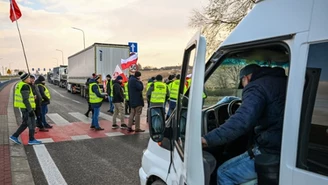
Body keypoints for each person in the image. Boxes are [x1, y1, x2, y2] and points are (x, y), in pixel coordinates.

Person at [201, 64, 288, 185]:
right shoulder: (283, 81)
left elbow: (241, 121)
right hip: (286, 145)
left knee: (224, 173)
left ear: (245, 78)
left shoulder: (256, 87)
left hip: (271, 149)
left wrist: (207, 139)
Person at [10, 72, 42, 145]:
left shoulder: (20, 84)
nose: (29, 79)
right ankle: (31, 139)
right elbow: (25, 99)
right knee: (32, 124)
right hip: (27, 108)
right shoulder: (25, 86)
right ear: (25, 79)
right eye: (28, 78)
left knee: (25, 123)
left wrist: (32, 97)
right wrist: (30, 110)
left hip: (24, 108)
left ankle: (14, 136)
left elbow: (25, 97)